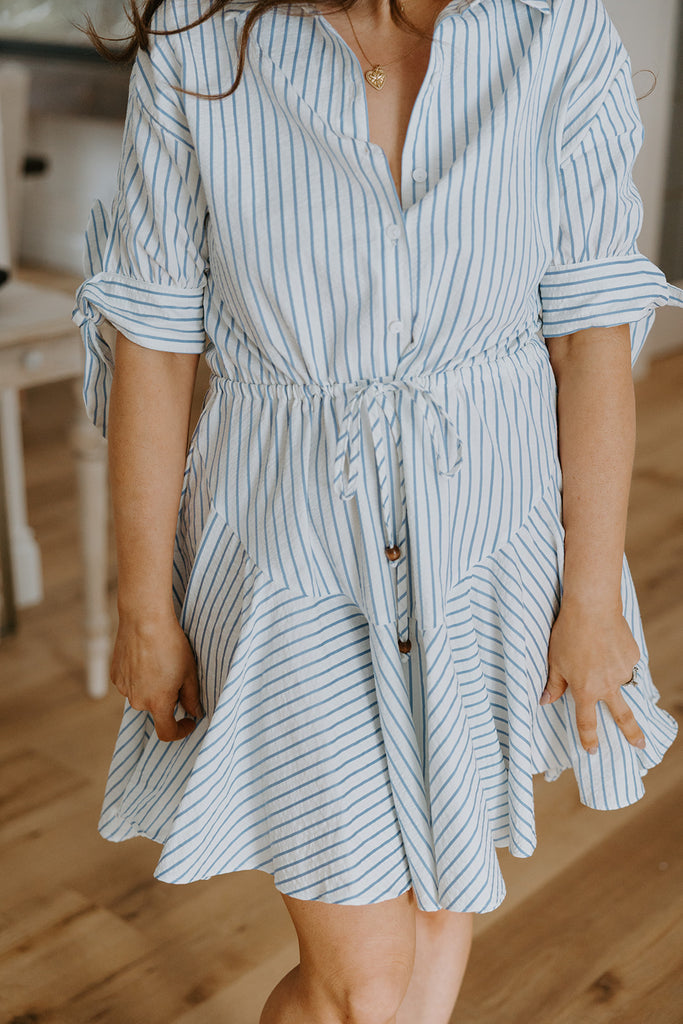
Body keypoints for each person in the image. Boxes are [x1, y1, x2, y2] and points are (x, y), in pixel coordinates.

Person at [73, 0, 681, 1020]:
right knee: (359, 985)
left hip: (490, 537)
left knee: (437, 919)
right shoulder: (196, 42)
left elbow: (589, 330)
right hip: (284, 545)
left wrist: (589, 597)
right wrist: (144, 608)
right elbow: (155, 336)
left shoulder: (552, 28)